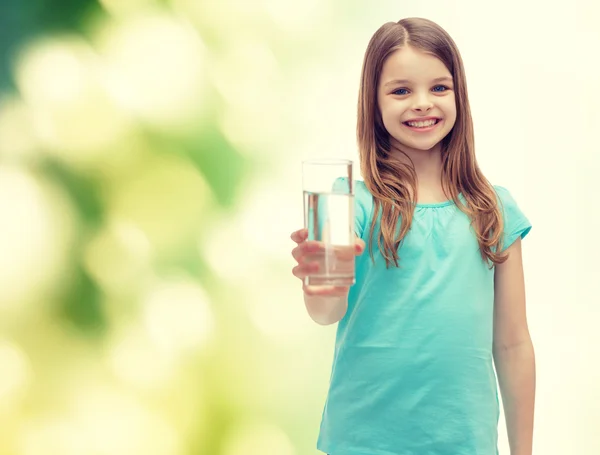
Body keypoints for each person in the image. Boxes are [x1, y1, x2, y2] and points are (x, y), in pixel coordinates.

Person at [290, 17, 536, 455]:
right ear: (375, 103)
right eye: (401, 90)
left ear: (459, 94)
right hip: (361, 441)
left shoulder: (493, 211)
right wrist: (318, 277)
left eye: (439, 88)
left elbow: (513, 343)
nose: (422, 103)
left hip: (464, 443)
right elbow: (326, 311)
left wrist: (523, 450)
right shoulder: (351, 206)